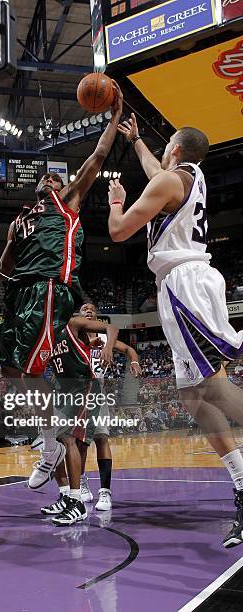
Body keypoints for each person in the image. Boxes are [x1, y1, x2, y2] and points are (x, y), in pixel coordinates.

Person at [0, 84, 124, 490]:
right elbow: (1, 270)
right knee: (8, 367)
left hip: (49, 291)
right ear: (35, 189)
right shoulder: (20, 222)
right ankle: (50, 444)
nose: (49, 177)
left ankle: (52, 447)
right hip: (20, 294)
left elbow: (97, 157)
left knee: (32, 369)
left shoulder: (68, 202)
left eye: (54, 175)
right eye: (44, 176)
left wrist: (113, 119)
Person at [108, 116, 243, 548]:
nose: (162, 152)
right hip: (182, 284)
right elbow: (157, 171)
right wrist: (138, 143)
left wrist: (116, 201)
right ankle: (242, 482)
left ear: (177, 151)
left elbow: (119, 231)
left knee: (216, 390)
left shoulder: (171, 182)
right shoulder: (189, 177)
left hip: (186, 284)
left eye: (167, 146)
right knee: (191, 396)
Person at [43, 315, 118, 525]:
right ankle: (67, 496)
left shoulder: (73, 324)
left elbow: (111, 327)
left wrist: (108, 347)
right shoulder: (46, 336)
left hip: (84, 389)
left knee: (72, 440)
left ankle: (77, 502)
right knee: (55, 442)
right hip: (62, 391)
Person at [77, 303, 142, 509]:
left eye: (92, 309)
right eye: (84, 309)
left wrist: (134, 362)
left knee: (101, 439)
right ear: (78, 315)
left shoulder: (106, 339)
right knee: (80, 444)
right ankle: (80, 484)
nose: (89, 310)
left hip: (97, 394)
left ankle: (105, 492)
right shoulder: (71, 336)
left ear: (96, 316)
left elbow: (130, 349)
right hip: (76, 395)